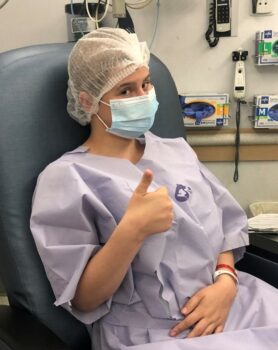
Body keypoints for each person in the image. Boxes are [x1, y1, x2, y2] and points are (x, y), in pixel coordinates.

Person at [30, 28, 278, 350]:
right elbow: (85, 298)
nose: (143, 96)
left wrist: (226, 281)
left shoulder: (176, 151)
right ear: (88, 101)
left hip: (228, 300)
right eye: (125, 90)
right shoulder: (66, 178)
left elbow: (225, 229)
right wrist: (131, 230)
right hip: (153, 331)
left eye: (145, 83)